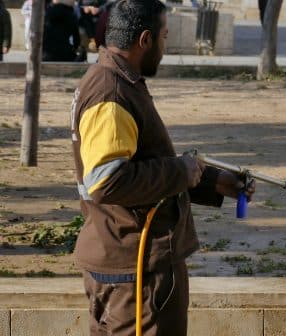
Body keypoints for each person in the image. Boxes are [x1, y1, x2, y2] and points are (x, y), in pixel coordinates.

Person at [69, 0, 255, 334]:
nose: (165, 47)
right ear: (145, 40)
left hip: (129, 263)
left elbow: (141, 166)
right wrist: (181, 171)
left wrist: (212, 182)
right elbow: (106, 182)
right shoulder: (110, 93)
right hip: (136, 272)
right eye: (165, 37)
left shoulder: (119, 81)